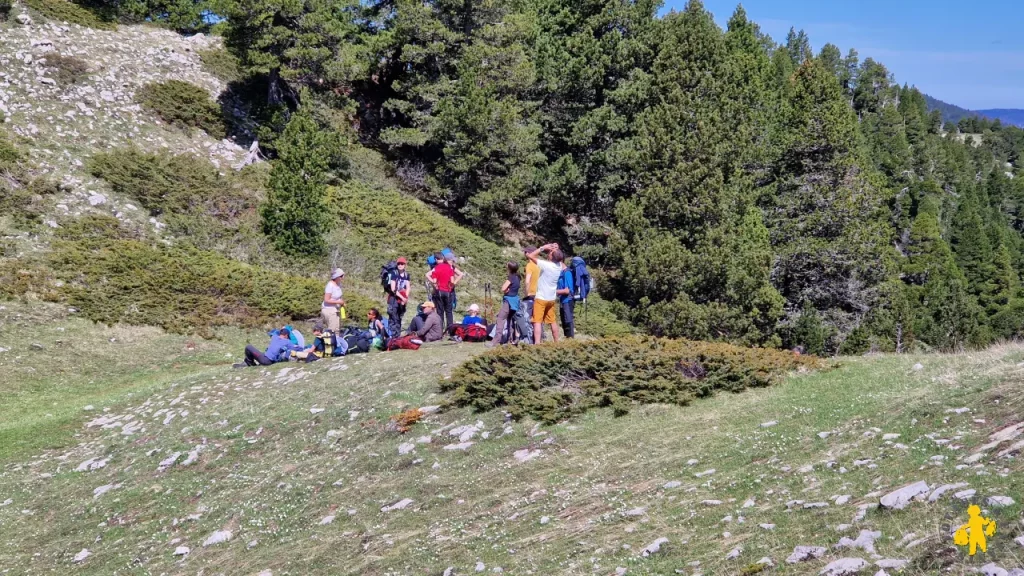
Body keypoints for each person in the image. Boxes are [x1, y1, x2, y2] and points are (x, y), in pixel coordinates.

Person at [526, 243, 564, 343]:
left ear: (551, 257)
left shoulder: (546, 265)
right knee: (552, 321)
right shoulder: (559, 266)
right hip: (551, 299)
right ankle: (556, 342)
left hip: (541, 298)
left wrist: (543, 248)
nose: (549, 254)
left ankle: (537, 344)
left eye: (550, 253)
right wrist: (555, 249)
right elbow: (558, 257)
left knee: (537, 321)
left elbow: (530, 256)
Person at [426, 251, 463, 332]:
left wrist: (434, 284)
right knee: (449, 311)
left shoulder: (437, 267)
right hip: (448, 291)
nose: (452, 262)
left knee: (440, 311)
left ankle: (440, 330)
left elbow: (431, 277)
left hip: (439, 291)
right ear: (448, 260)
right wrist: (453, 284)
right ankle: (450, 330)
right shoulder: (450, 268)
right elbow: (452, 280)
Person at [489, 261, 521, 347]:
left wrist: (506, 290)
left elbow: (503, 288)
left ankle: (495, 340)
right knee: (510, 320)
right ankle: (510, 340)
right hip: (515, 300)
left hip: (508, 301)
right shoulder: (518, 277)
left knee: (500, 319)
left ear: (509, 268)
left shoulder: (511, 277)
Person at [238, 329, 303, 367]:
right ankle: (248, 362)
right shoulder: (288, 341)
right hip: (266, 358)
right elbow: (298, 348)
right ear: (286, 335)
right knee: (254, 351)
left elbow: (273, 331)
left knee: (248, 347)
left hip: (266, 360)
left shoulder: (274, 337)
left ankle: (249, 363)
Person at [386, 257, 411, 338]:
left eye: (402, 264)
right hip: (393, 298)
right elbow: (393, 289)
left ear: (405, 265)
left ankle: (398, 335)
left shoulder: (407, 275)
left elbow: (408, 287)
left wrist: (405, 298)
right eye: (399, 264)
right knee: (393, 317)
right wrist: (402, 297)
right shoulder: (394, 273)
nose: (400, 265)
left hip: (402, 299)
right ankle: (393, 336)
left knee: (399, 317)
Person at [522, 246, 539, 338]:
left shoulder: (530, 265)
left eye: (525, 252)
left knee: (527, 317)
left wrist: (526, 293)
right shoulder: (540, 264)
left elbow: (527, 280)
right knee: (537, 318)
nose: (524, 254)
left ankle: (527, 337)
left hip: (531, 294)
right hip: (540, 294)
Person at [557, 258, 575, 338]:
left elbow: (567, 291)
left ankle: (571, 340)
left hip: (568, 300)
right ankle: (567, 340)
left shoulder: (567, 273)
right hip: (562, 300)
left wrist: (554, 291)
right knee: (564, 321)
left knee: (568, 321)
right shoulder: (562, 273)